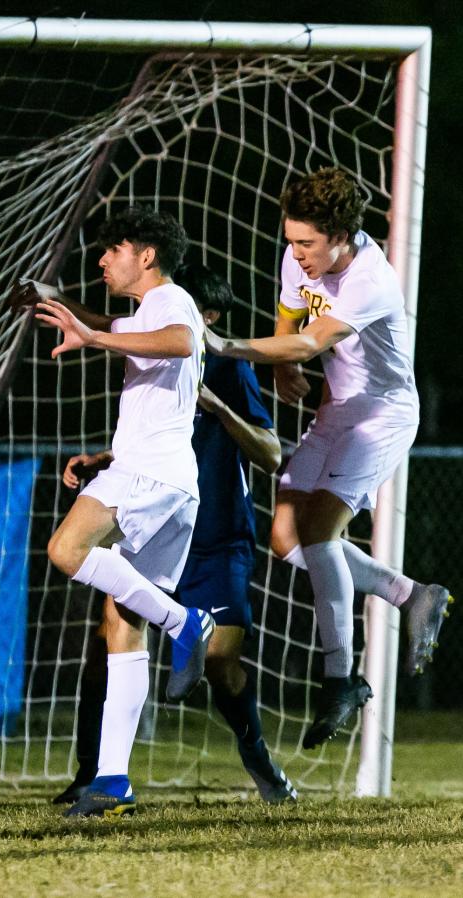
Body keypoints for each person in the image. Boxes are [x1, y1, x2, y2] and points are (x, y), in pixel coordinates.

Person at [205, 167, 451, 748]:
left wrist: (225, 345)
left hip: (383, 413)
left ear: (341, 234)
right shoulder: (302, 257)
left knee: (320, 530)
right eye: (291, 240)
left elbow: (314, 340)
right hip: (338, 407)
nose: (296, 253)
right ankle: (409, 593)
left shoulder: (372, 279)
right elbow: (291, 317)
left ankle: (340, 679)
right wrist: (285, 364)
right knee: (287, 539)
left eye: (307, 243)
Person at [50, 264, 296, 807]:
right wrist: (102, 459)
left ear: (206, 317)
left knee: (219, 661)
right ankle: (99, 773)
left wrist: (219, 408)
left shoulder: (226, 368)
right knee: (110, 636)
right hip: (155, 515)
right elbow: (150, 438)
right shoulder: (158, 352)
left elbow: (271, 452)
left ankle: (254, 751)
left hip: (215, 540)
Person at [32, 207, 214, 818]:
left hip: (148, 477)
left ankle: (187, 623)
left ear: (146, 255)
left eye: (113, 249)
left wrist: (94, 338)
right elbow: (131, 344)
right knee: (120, 625)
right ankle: (112, 780)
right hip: (168, 478)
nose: (103, 259)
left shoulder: (171, 302)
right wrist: (57, 305)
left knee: (66, 550)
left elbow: (181, 343)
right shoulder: (146, 311)